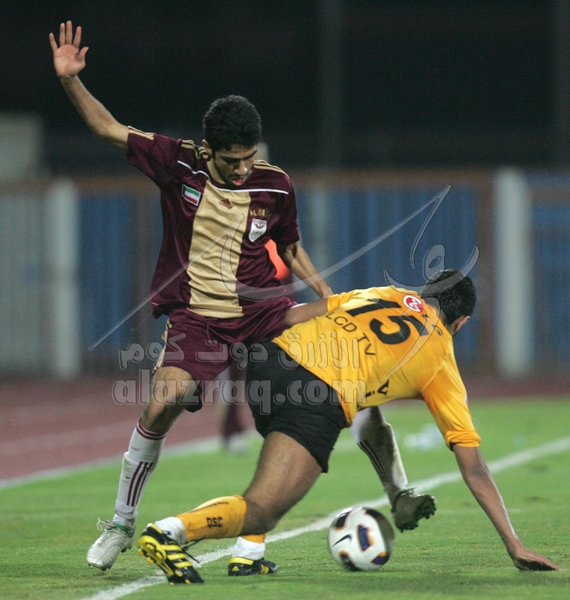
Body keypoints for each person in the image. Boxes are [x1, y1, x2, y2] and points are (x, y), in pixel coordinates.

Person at [49, 21, 434, 575]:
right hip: (199, 320)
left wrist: (326, 294)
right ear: (208, 149)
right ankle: (120, 524)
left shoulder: (275, 184)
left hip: (266, 315)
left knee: (346, 372)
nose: (242, 168)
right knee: (162, 403)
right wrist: (70, 81)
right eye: (232, 160)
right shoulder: (176, 161)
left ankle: (400, 491)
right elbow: (106, 127)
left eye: (249, 157)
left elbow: (290, 245)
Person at [137, 269, 560, 584]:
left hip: (269, 361)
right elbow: (474, 468)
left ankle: (248, 553)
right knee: (264, 505)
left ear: (424, 293)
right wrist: (514, 544)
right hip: (316, 394)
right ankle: (169, 532)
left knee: (353, 415)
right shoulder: (441, 359)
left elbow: (300, 317)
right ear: (461, 322)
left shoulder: (383, 294)